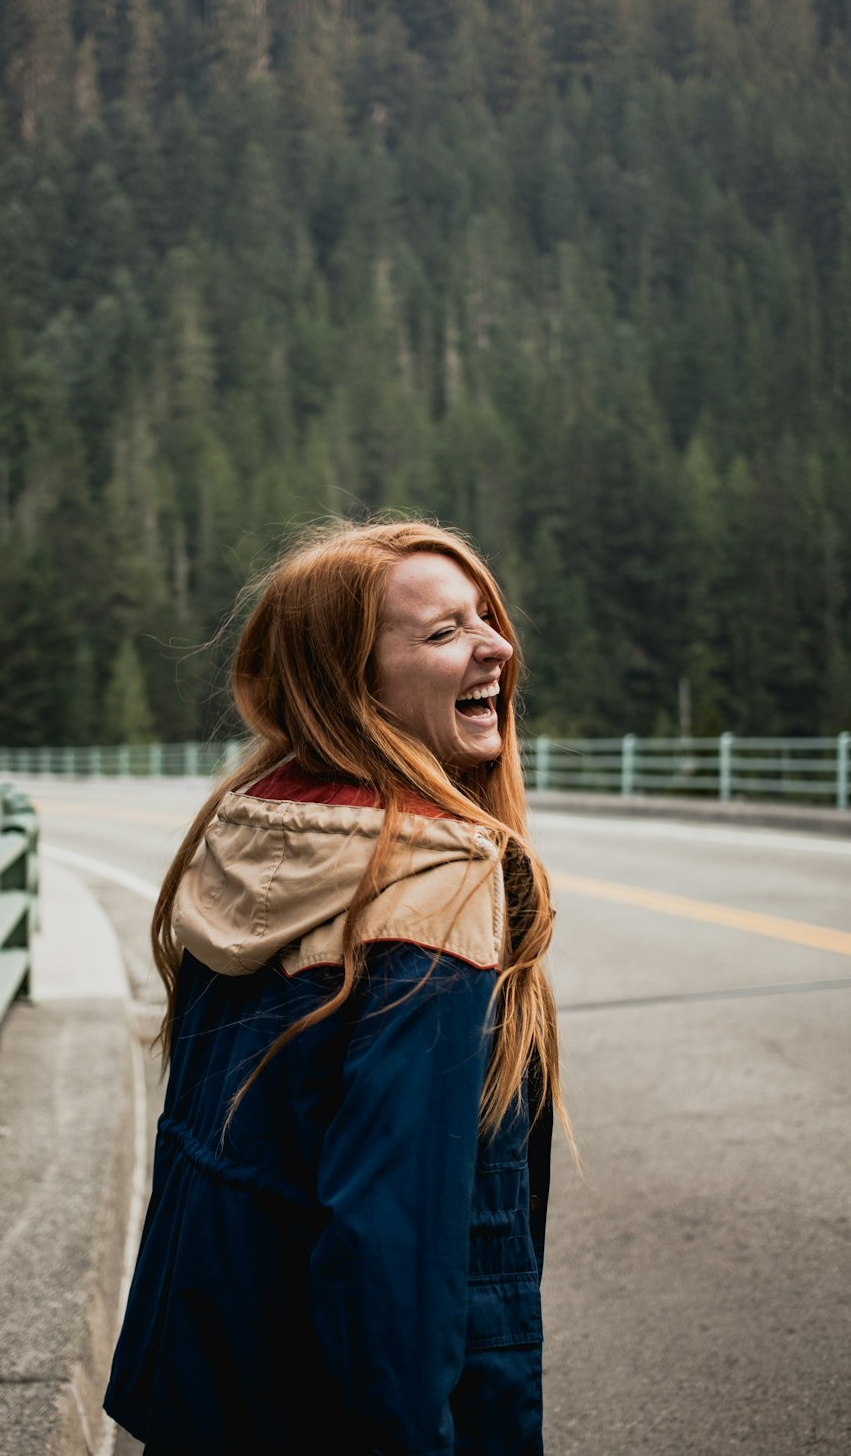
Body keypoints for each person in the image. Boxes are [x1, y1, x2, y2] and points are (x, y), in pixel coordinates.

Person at [104, 519, 568, 1456]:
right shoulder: (432, 881)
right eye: (444, 633)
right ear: (347, 690)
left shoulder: (242, 842)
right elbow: (391, 1251)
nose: (498, 648)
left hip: (212, 1386)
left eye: (486, 617)